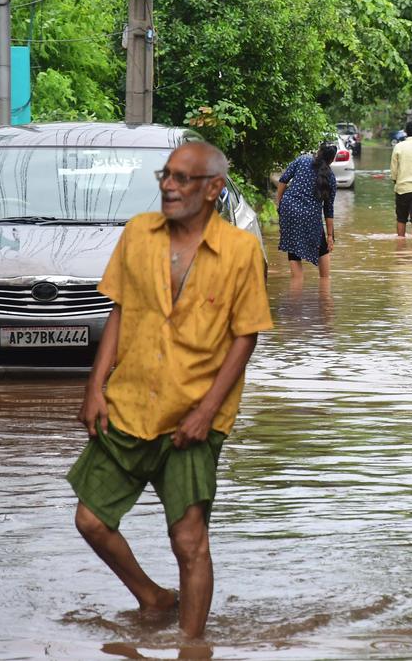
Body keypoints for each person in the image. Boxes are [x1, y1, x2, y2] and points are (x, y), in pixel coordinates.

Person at [68, 141, 273, 639]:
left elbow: (245, 335)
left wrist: (206, 411)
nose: (169, 186)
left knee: (189, 541)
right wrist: (95, 385)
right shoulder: (139, 233)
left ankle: (191, 646)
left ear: (213, 189)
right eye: (167, 175)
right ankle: (152, 596)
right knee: (90, 521)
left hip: (193, 414)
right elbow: (117, 309)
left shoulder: (241, 251)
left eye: (184, 178)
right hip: (131, 402)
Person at [276, 143, 338, 282]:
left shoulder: (302, 160)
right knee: (322, 249)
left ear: (318, 152)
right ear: (332, 160)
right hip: (310, 215)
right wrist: (329, 236)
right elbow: (328, 209)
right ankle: (325, 287)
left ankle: (296, 292)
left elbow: (283, 179)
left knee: (293, 249)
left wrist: (279, 202)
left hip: (289, 209)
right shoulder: (331, 178)